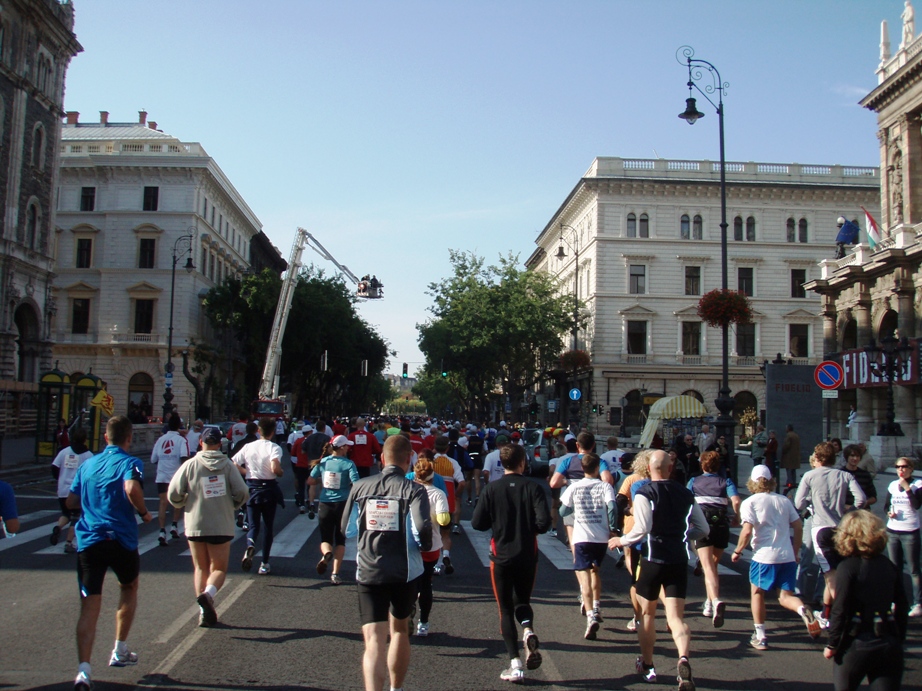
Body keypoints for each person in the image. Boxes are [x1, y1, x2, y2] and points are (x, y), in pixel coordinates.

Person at [609, 449, 709, 691]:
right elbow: (703, 528)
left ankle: (648, 664)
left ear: (648, 469)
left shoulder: (645, 492)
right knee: (676, 618)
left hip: (653, 560)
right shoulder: (685, 493)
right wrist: (684, 536)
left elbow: (642, 528)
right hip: (677, 560)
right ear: (670, 468)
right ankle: (683, 658)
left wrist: (620, 541)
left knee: (647, 616)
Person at [66, 416, 151, 691]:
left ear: (105, 437)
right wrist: (143, 512)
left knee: (89, 604)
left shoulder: (88, 464)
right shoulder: (131, 463)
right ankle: (119, 648)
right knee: (128, 586)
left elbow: (71, 500)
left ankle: (83, 670)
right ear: (129, 438)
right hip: (122, 539)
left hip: (90, 540)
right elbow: (131, 487)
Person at [341, 434, 432, 691]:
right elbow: (421, 528)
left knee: (373, 640)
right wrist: (424, 546)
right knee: (400, 630)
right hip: (406, 571)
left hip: (369, 569)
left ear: (382, 458)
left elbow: (346, 529)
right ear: (409, 460)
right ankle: (396, 687)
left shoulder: (360, 487)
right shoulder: (414, 490)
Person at [472, 443, 551, 683]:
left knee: (505, 608)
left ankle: (515, 663)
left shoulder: (492, 489)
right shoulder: (533, 488)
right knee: (523, 601)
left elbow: (477, 523)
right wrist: (529, 530)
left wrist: (497, 523)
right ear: (522, 462)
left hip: (501, 554)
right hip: (528, 553)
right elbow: (544, 523)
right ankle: (528, 629)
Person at [731, 464, 821, 650]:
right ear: (771, 481)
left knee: (757, 593)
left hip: (764, 556)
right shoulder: (783, 501)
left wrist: (738, 551)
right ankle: (802, 609)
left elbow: (747, 531)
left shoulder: (751, 502)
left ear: (752, 482)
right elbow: (798, 527)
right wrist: (796, 551)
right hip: (786, 555)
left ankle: (761, 634)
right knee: (785, 596)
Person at [167, 427, 249, 627]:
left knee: (200, 567)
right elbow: (242, 492)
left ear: (200, 443)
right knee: (219, 568)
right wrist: (231, 504)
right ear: (220, 444)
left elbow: (173, 494)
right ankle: (209, 594)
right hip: (220, 522)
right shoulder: (228, 465)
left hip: (196, 522)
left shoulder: (190, 465)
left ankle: (203, 611)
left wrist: (184, 502)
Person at [824, 510, 908, 691]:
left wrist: (833, 643)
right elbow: (902, 605)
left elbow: (840, 608)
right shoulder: (889, 565)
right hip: (888, 641)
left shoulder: (848, 567)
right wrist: (899, 638)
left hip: (857, 642)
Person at [794, 442, 867, 627]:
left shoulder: (810, 475)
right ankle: (826, 613)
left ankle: (845, 613)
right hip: (840, 527)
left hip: (820, 528)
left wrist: (811, 502)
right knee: (836, 571)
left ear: (817, 458)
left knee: (830, 575)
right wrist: (848, 510)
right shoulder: (844, 475)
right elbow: (862, 498)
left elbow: (798, 503)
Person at [559, 452, 617, 640]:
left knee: (583, 575)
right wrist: (613, 528)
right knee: (595, 571)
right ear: (598, 468)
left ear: (582, 468)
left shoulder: (575, 487)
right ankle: (598, 604)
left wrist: (575, 508)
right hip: (600, 537)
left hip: (581, 536)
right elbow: (612, 507)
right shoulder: (605, 487)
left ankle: (590, 613)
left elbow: (562, 510)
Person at [688, 450, 741, 628]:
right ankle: (709, 601)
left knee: (708, 567)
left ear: (702, 465)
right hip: (721, 526)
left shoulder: (694, 481)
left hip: (702, 526)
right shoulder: (725, 482)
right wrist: (737, 517)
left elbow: (686, 500)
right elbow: (736, 500)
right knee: (713, 566)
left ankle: (714, 601)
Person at [233, 417, 284, 575]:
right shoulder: (274, 447)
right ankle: (264, 563)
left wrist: (246, 472)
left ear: (259, 431)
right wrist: (280, 472)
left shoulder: (248, 446)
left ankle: (250, 544)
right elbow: (275, 468)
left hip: (252, 488)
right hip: (268, 489)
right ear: (273, 431)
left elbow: (234, 462)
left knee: (253, 525)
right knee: (268, 527)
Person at [310, 435, 359, 585]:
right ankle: (335, 573)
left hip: (325, 503)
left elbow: (311, 480)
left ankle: (326, 554)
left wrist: (322, 480)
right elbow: (356, 483)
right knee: (340, 540)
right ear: (342, 447)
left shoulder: (323, 462)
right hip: (342, 504)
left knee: (325, 538)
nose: (348, 447)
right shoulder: (349, 464)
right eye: (347, 446)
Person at [411, 457, 451, 635]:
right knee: (426, 583)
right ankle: (423, 623)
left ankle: (406, 613)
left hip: (409, 543)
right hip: (431, 543)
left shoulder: (407, 490)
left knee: (409, 581)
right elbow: (443, 519)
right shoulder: (437, 493)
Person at [616, 449, 653, 633]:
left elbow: (620, 500)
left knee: (634, 572)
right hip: (658, 536)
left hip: (633, 526)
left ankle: (637, 617)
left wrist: (625, 513)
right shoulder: (664, 483)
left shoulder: (633, 480)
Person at [884, 456, 922, 618]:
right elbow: (887, 505)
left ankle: (918, 602)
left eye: (905, 467)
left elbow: (917, 505)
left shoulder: (917, 484)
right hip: (893, 530)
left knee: (913, 569)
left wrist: (907, 488)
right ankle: (897, 601)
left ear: (911, 468)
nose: (901, 470)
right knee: (895, 568)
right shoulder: (892, 485)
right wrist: (889, 513)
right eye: (898, 467)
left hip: (910, 531)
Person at [50, 428, 94, 554]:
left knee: (65, 513)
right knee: (76, 516)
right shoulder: (88, 455)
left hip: (63, 488)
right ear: (85, 439)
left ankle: (58, 527)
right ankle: (68, 543)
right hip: (77, 490)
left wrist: (60, 478)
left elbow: (54, 467)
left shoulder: (65, 451)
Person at [150, 414, 191, 546]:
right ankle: (174, 524)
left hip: (162, 476)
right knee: (178, 501)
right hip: (175, 475)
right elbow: (184, 457)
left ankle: (162, 531)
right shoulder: (181, 440)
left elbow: (153, 459)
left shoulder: (160, 440)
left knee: (163, 503)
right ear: (179, 425)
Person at [432, 435, 465, 573]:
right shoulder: (453, 463)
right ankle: (446, 554)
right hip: (448, 502)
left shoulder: (431, 462)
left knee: (433, 533)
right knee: (445, 534)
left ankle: (437, 564)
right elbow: (462, 482)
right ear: (447, 448)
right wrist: (456, 494)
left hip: (432, 502)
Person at [301, 419, 332, 519]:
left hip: (312, 462)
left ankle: (311, 503)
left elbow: (302, 451)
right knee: (323, 483)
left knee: (312, 484)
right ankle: (321, 502)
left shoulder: (309, 438)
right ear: (324, 428)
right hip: (324, 463)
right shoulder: (327, 438)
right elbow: (331, 451)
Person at [842, 444, 877, 509]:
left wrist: (865, 502)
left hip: (862, 511)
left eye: (857, 456)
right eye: (852, 455)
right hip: (844, 511)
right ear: (847, 457)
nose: (855, 458)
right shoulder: (840, 473)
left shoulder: (865, 475)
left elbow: (873, 497)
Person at [291, 424, 313, 514]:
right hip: (310, 466)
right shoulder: (312, 441)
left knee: (301, 486)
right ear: (310, 432)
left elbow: (293, 453)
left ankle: (301, 505)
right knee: (310, 485)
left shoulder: (298, 441)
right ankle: (310, 501)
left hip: (300, 465)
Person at [780, 424, 802, 488]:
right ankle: (794, 482)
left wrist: (783, 450)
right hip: (795, 456)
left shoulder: (789, 436)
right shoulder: (796, 435)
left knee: (789, 470)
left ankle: (789, 483)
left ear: (788, 429)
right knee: (793, 470)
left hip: (789, 456)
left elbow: (786, 445)